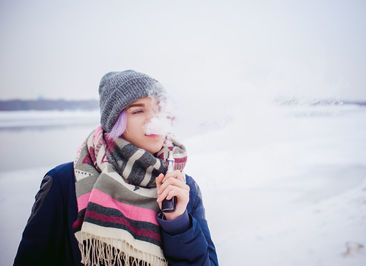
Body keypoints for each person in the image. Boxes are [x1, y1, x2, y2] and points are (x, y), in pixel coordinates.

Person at [14, 70, 219, 266]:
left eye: (159, 108)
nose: (153, 118)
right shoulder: (65, 182)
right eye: (138, 110)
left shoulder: (182, 186)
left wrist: (178, 223)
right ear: (115, 121)